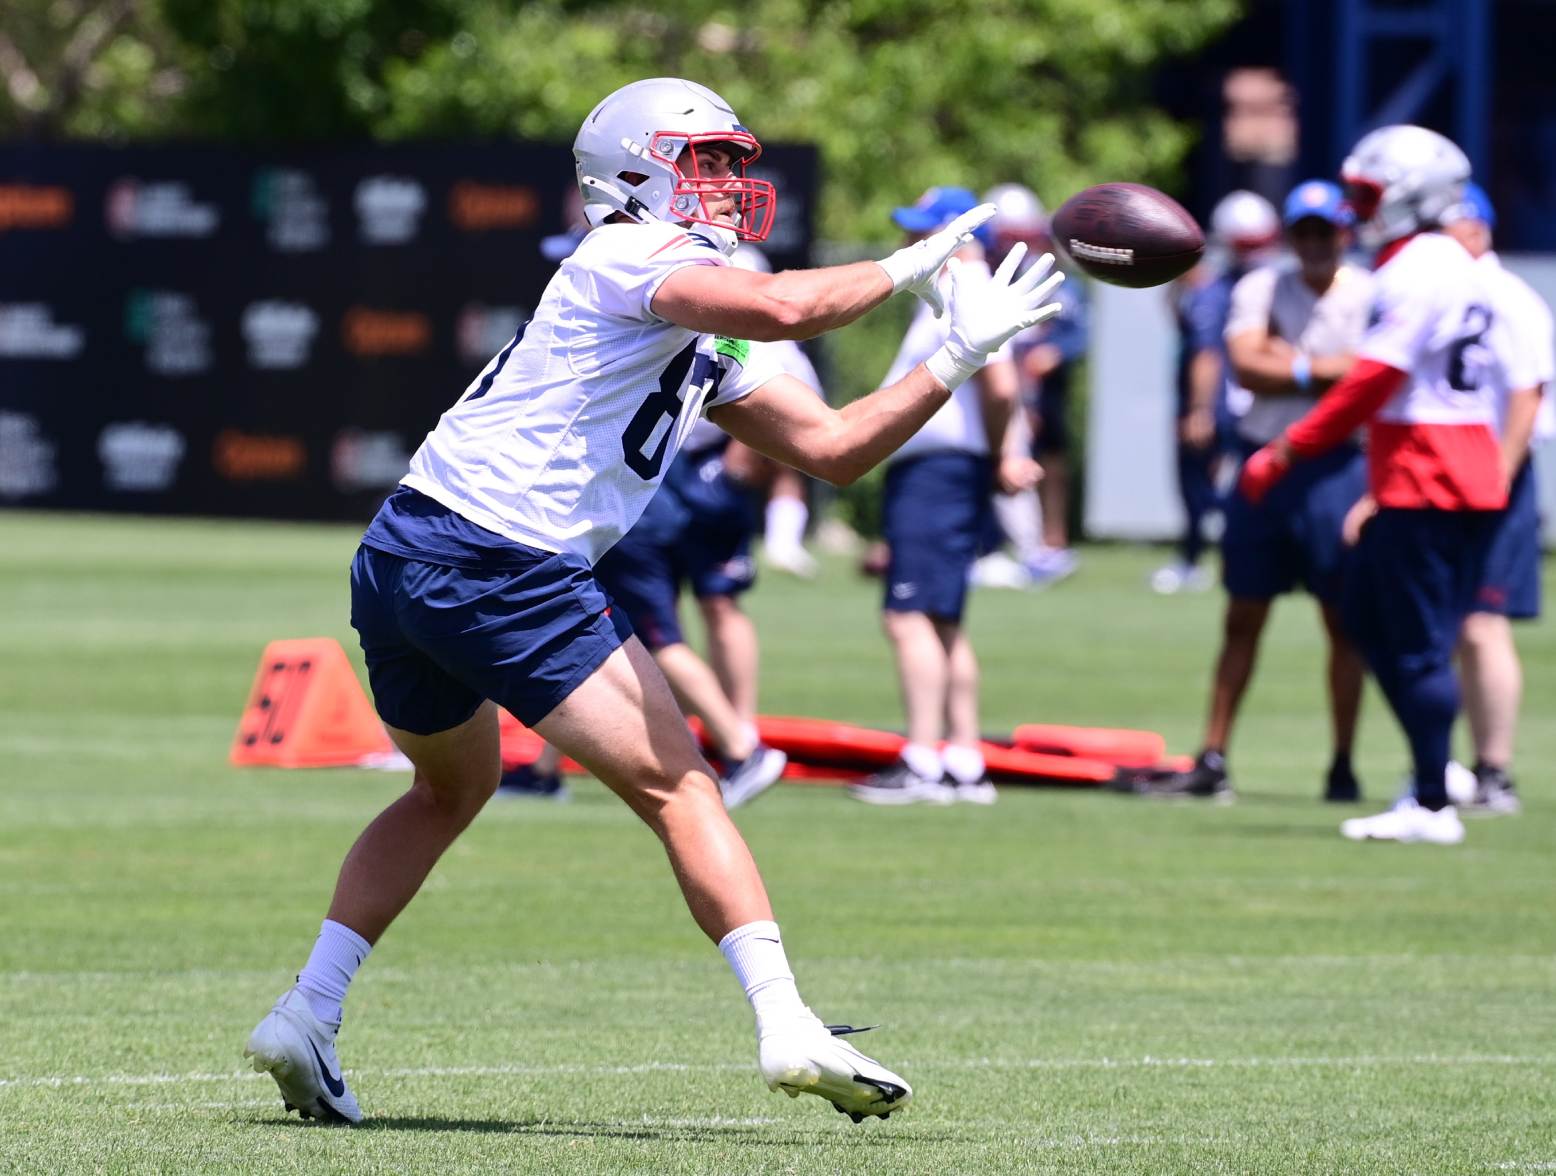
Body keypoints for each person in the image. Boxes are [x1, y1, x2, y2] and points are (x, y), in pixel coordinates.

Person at [243, 76, 1064, 1124]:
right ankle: (785, 1027)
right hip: (503, 558)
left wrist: (955, 356)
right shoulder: (631, 251)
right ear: (635, 171)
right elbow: (781, 306)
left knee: (447, 790)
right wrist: (914, 266)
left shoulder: (688, 318)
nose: (729, 182)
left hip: (407, 548)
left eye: (732, 161)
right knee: (684, 791)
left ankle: (307, 1013)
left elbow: (831, 450)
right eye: (706, 160)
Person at [1239, 125, 1526, 846]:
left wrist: (1288, 448)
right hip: (1432, 465)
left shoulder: (1416, 269)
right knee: (1368, 616)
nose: (1360, 208)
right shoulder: (1442, 264)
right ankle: (1436, 775)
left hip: (1429, 468)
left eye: (1367, 194)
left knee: (1415, 640)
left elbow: (1375, 377)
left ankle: (1433, 796)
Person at [1132, 181, 1373, 802]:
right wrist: (1324, 370)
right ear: (1289, 237)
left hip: (1338, 467)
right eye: (1306, 232)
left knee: (1343, 621)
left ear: (1345, 233)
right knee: (1242, 615)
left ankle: (1343, 763)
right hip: (1267, 462)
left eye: (1327, 231)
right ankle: (1213, 755)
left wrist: (1291, 364)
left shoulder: (1369, 293)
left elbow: (1368, 378)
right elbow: (1247, 365)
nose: (1316, 243)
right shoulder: (1261, 286)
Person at [846, 187, 1041, 807]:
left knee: (907, 617)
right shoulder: (958, 284)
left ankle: (923, 760)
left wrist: (999, 453)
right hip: (947, 470)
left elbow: (1001, 382)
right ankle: (962, 758)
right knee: (943, 621)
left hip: (939, 470)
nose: (913, 244)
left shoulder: (969, 281)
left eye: (928, 232)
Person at [1440, 182, 1553, 814]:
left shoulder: (1508, 297)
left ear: (1476, 229)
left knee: (1483, 625)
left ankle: (1495, 770)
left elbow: (1526, 394)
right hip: (1442, 475)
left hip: (1491, 475)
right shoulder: (1444, 291)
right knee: (1439, 627)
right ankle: (1442, 765)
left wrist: (1497, 477)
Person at [1155, 191, 1281, 595]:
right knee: (1243, 487)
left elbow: (1206, 355)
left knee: (1201, 488)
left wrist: (1199, 409)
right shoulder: (1279, 285)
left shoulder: (1218, 290)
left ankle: (1196, 560)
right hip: (1260, 403)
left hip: (1225, 403)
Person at [984, 182, 1090, 586]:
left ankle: (1048, 542)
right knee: (999, 456)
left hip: (1039, 389)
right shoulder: (981, 273)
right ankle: (1004, 546)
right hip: (999, 382)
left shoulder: (1052, 273)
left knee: (1046, 461)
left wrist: (1055, 352)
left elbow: (1076, 329)